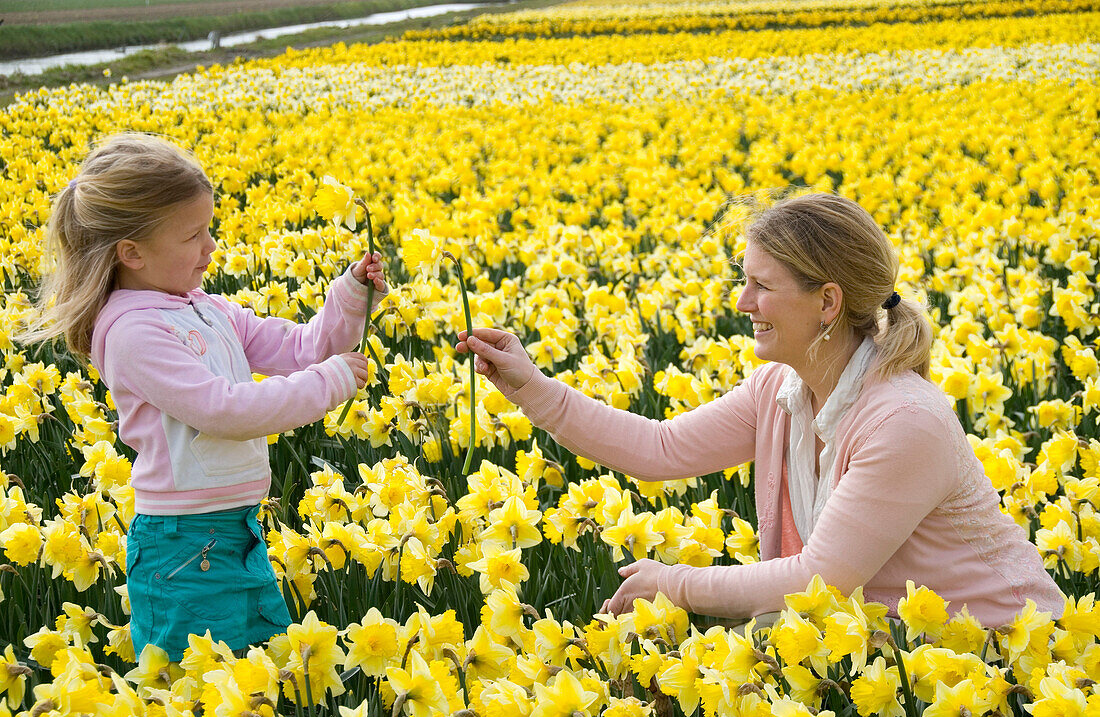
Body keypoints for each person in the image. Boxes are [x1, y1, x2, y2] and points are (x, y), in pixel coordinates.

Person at [456, 192, 1064, 628]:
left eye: (761, 286)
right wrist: (530, 386)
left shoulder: (904, 421)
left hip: (1001, 663)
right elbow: (658, 449)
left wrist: (672, 583)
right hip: (885, 650)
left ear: (828, 302)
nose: (742, 301)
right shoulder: (780, 387)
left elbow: (817, 582)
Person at [21, 133, 387, 659]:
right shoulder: (132, 333)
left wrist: (351, 296)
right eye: (194, 235)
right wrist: (328, 384)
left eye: (208, 228)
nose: (211, 245)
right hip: (184, 545)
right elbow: (223, 411)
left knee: (262, 681)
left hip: (235, 530)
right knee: (197, 694)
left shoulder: (203, 308)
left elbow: (299, 347)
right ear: (133, 253)